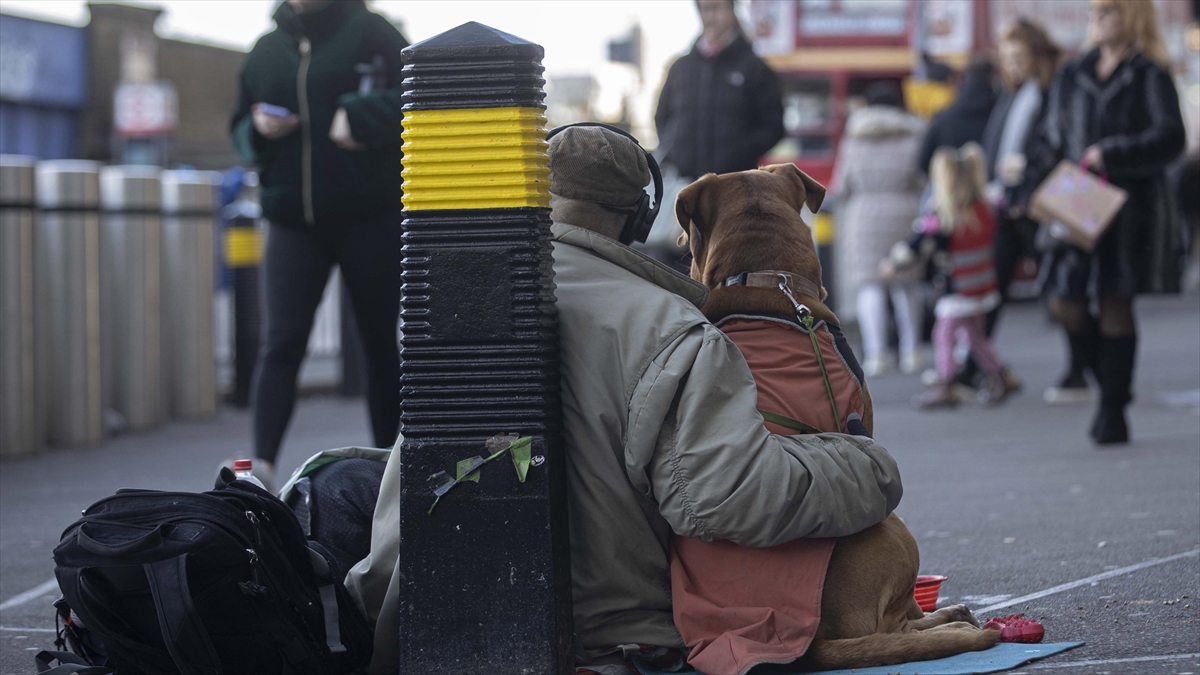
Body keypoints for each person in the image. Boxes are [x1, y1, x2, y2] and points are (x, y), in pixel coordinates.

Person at [345, 126, 903, 674]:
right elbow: (726, 499)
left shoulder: (462, 307)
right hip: (614, 642)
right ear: (639, 219)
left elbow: (406, 495)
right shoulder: (674, 330)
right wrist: (869, 466)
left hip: (438, 633)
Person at [229, 0, 408, 488]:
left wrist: (361, 113)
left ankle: (390, 471)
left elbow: (420, 99)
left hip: (368, 217)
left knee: (377, 343)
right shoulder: (266, 51)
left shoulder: (373, 33)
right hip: (292, 221)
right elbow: (238, 129)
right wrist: (258, 130)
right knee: (281, 343)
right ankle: (260, 468)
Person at [1026, 0, 1186, 444]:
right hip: (1075, 202)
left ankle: (1113, 408)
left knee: (1116, 301)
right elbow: (1048, 134)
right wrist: (1035, 179)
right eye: (1096, 10)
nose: (1097, 18)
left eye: (1109, 10)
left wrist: (1112, 153)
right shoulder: (1073, 73)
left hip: (1131, 210)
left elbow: (1171, 137)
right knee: (1064, 301)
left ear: (1132, 17)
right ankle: (1111, 382)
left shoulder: (1149, 72)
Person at [963, 19, 1063, 394]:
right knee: (991, 286)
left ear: (1037, 55)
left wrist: (1028, 167)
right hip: (1007, 203)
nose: (1013, 65)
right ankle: (971, 365)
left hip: (1039, 202)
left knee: (1061, 288)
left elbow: (1057, 144)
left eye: (1019, 57)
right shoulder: (1011, 94)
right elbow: (997, 146)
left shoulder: (1054, 91)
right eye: (1007, 59)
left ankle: (1082, 367)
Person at [885, 144, 1021, 409]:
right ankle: (1002, 374)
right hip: (982, 284)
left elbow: (917, 245)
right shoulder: (986, 208)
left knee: (943, 334)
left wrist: (892, 263)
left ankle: (946, 383)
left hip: (957, 288)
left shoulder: (943, 216)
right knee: (974, 336)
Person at [831, 81, 927, 376]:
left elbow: (842, 185)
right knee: (906, 285)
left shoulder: (854, 138)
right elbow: (921, 181)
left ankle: (877, 355)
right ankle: (911, 352)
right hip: (904, 211)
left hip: (864, 215)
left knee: (870, 286)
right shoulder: (912, 136)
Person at [654, 0, 785, 180]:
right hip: (684, 186)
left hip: (734, 187)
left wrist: (739, 151)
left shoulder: (755, 68)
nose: (709, 16)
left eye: (716, 8)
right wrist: (675, 151)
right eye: (704, 9)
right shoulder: (680, 68)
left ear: (732, 10)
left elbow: (774, 126)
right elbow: (662, 117)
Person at [917, 56, 999, 176]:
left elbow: (923, 163)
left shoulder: (943, 118)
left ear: (967, 77)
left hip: (950, 187)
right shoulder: (1000, 115)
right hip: (988, 187)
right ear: (993, 78)